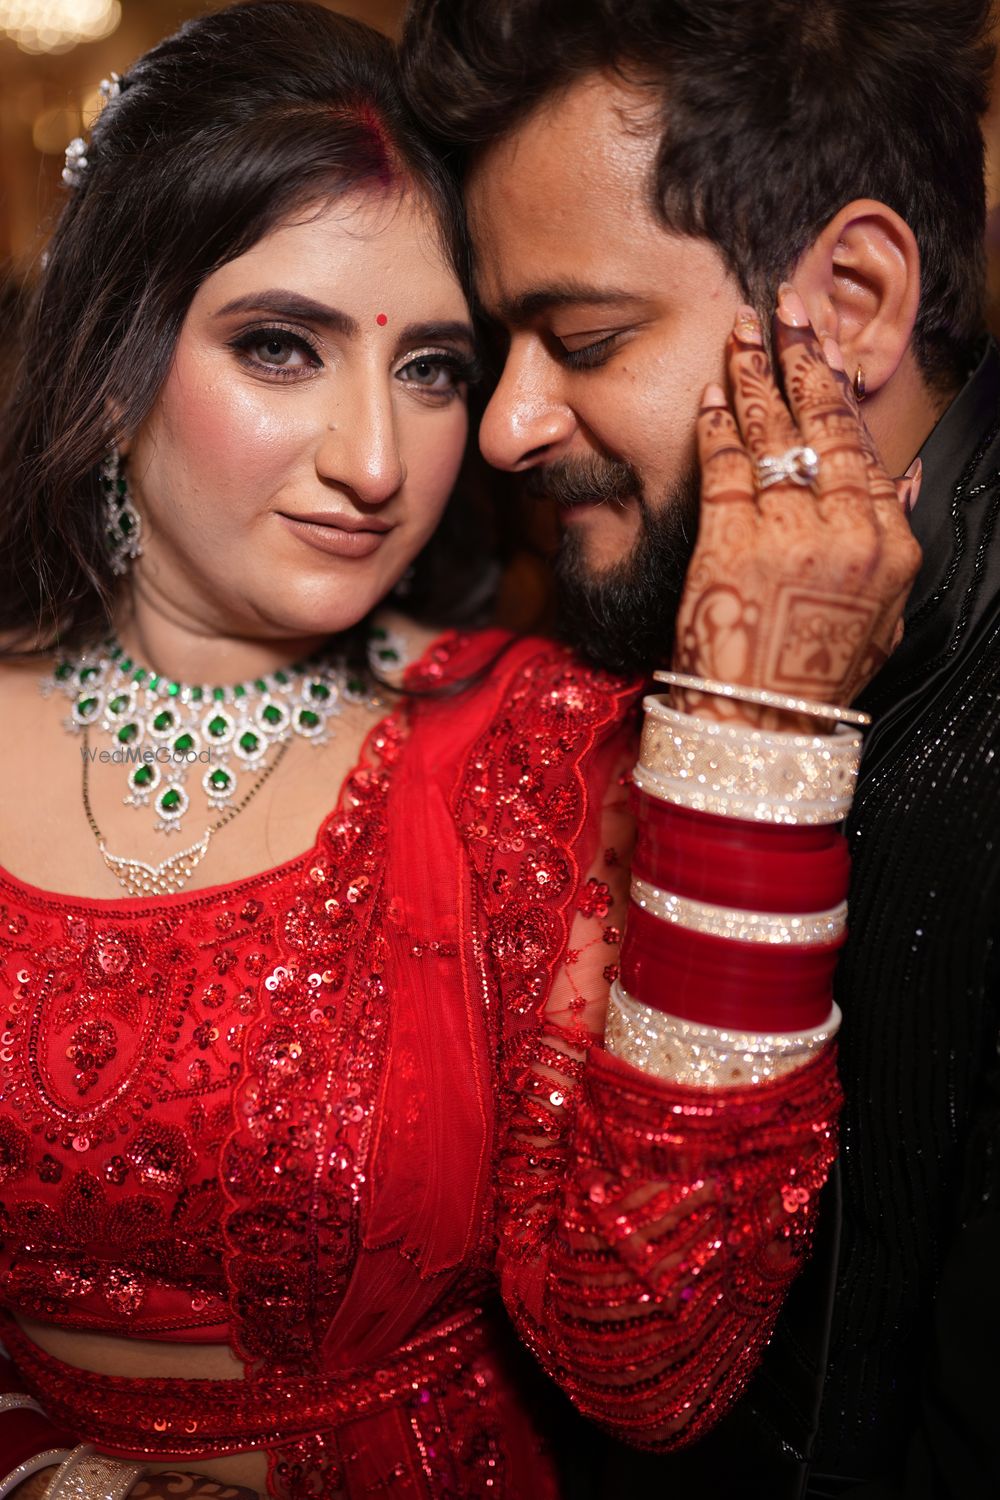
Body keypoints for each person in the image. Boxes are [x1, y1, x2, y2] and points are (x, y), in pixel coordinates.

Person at [0, 2, 921, 1497]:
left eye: (433, 367)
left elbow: (652, 1360)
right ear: (113, 358)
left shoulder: (547, 751)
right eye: (280, 347)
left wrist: (756, 743)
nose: (374, 462)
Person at [401, 0, 1000, 1495]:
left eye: (585, 339)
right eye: (499, 348)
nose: (506, 425)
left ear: (850, 303)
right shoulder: (591, 666)